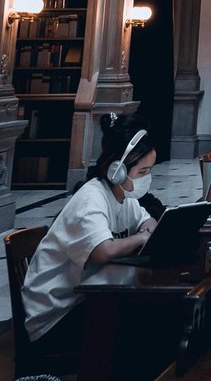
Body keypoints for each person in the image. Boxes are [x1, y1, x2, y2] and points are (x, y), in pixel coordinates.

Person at [21, 113, 159, 362]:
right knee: (143, 329)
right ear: (117, 170)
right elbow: (103, 251)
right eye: (143, 171)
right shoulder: (91, 198)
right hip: (55, 317)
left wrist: (146, 229)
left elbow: (149, 221)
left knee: (149, 319)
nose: (147, 178)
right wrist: (141, 239)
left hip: (85, 301)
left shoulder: (124, 197)